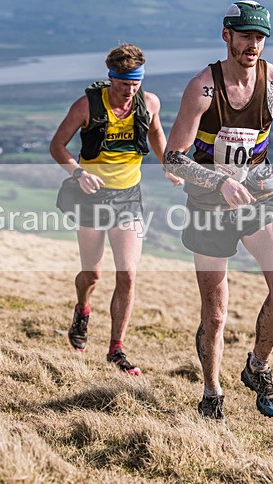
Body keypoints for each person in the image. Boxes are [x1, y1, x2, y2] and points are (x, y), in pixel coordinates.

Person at [164, 0, 273, 420]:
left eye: (259, 37)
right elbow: (172, 158)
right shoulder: (202, 88)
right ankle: (211, 393)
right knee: (216, 311)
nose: (253, 44)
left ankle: (257, 368)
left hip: (258, 194)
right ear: (226, 35)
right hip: (209, 204)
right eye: (245, 35)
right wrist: (220, 181)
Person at [50, 43, 180, 376]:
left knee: (128, 274)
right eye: (124, 85)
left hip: (127, 199)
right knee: (92, 274)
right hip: (90, 198)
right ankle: (82, 309)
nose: (129, 92)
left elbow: (155, 133)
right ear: (111, 79)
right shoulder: (86, 106)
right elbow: (57, 145)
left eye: (135, 85)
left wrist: (168, 165)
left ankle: (116, 350)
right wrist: (78, 173)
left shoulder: (148, 103)